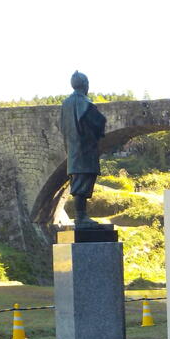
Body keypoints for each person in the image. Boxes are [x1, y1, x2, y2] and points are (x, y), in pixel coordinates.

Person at [60, 71, 107, 229]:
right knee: (82, 184)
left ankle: (81, 216)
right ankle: (81, 217)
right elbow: (99, 123)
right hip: (85, 151)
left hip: (73, 151)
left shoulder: (65, 105)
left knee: (78, 183)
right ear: (85, 85)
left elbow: (62, 128)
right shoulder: (86, 103)